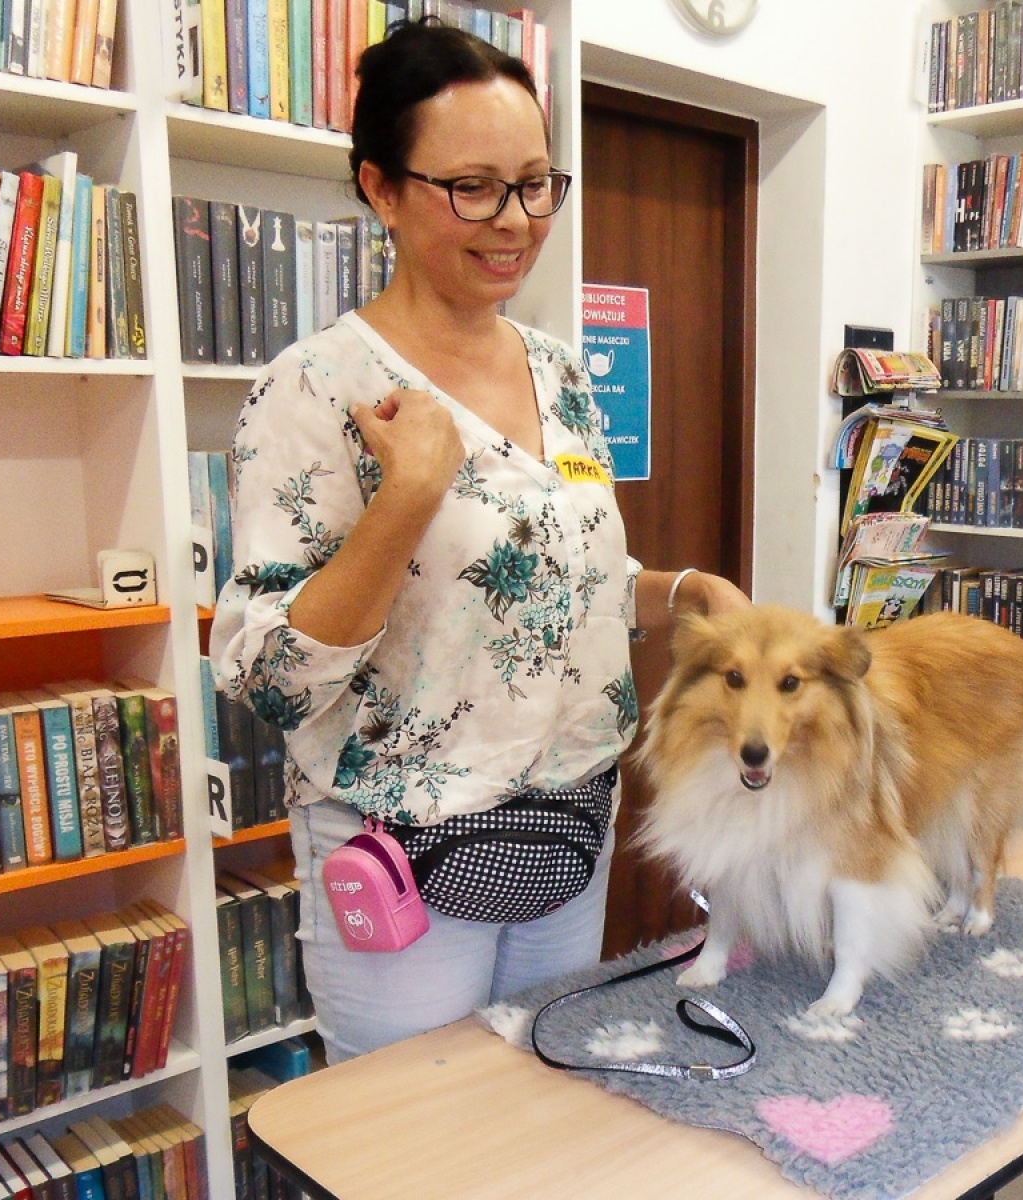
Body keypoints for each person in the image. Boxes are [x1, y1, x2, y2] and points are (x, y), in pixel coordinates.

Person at [210, 18, 749, 1064]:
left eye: (536, 184)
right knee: (417, 1135)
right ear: (381, 188)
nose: (515, 221)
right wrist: (405, 499)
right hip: (407, 849)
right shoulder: (314, 387)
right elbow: (269, 676)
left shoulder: (559, 370)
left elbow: (564, 582)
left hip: (567, 830)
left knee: (540, 1106)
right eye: (473, 188)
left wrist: (685, 592)